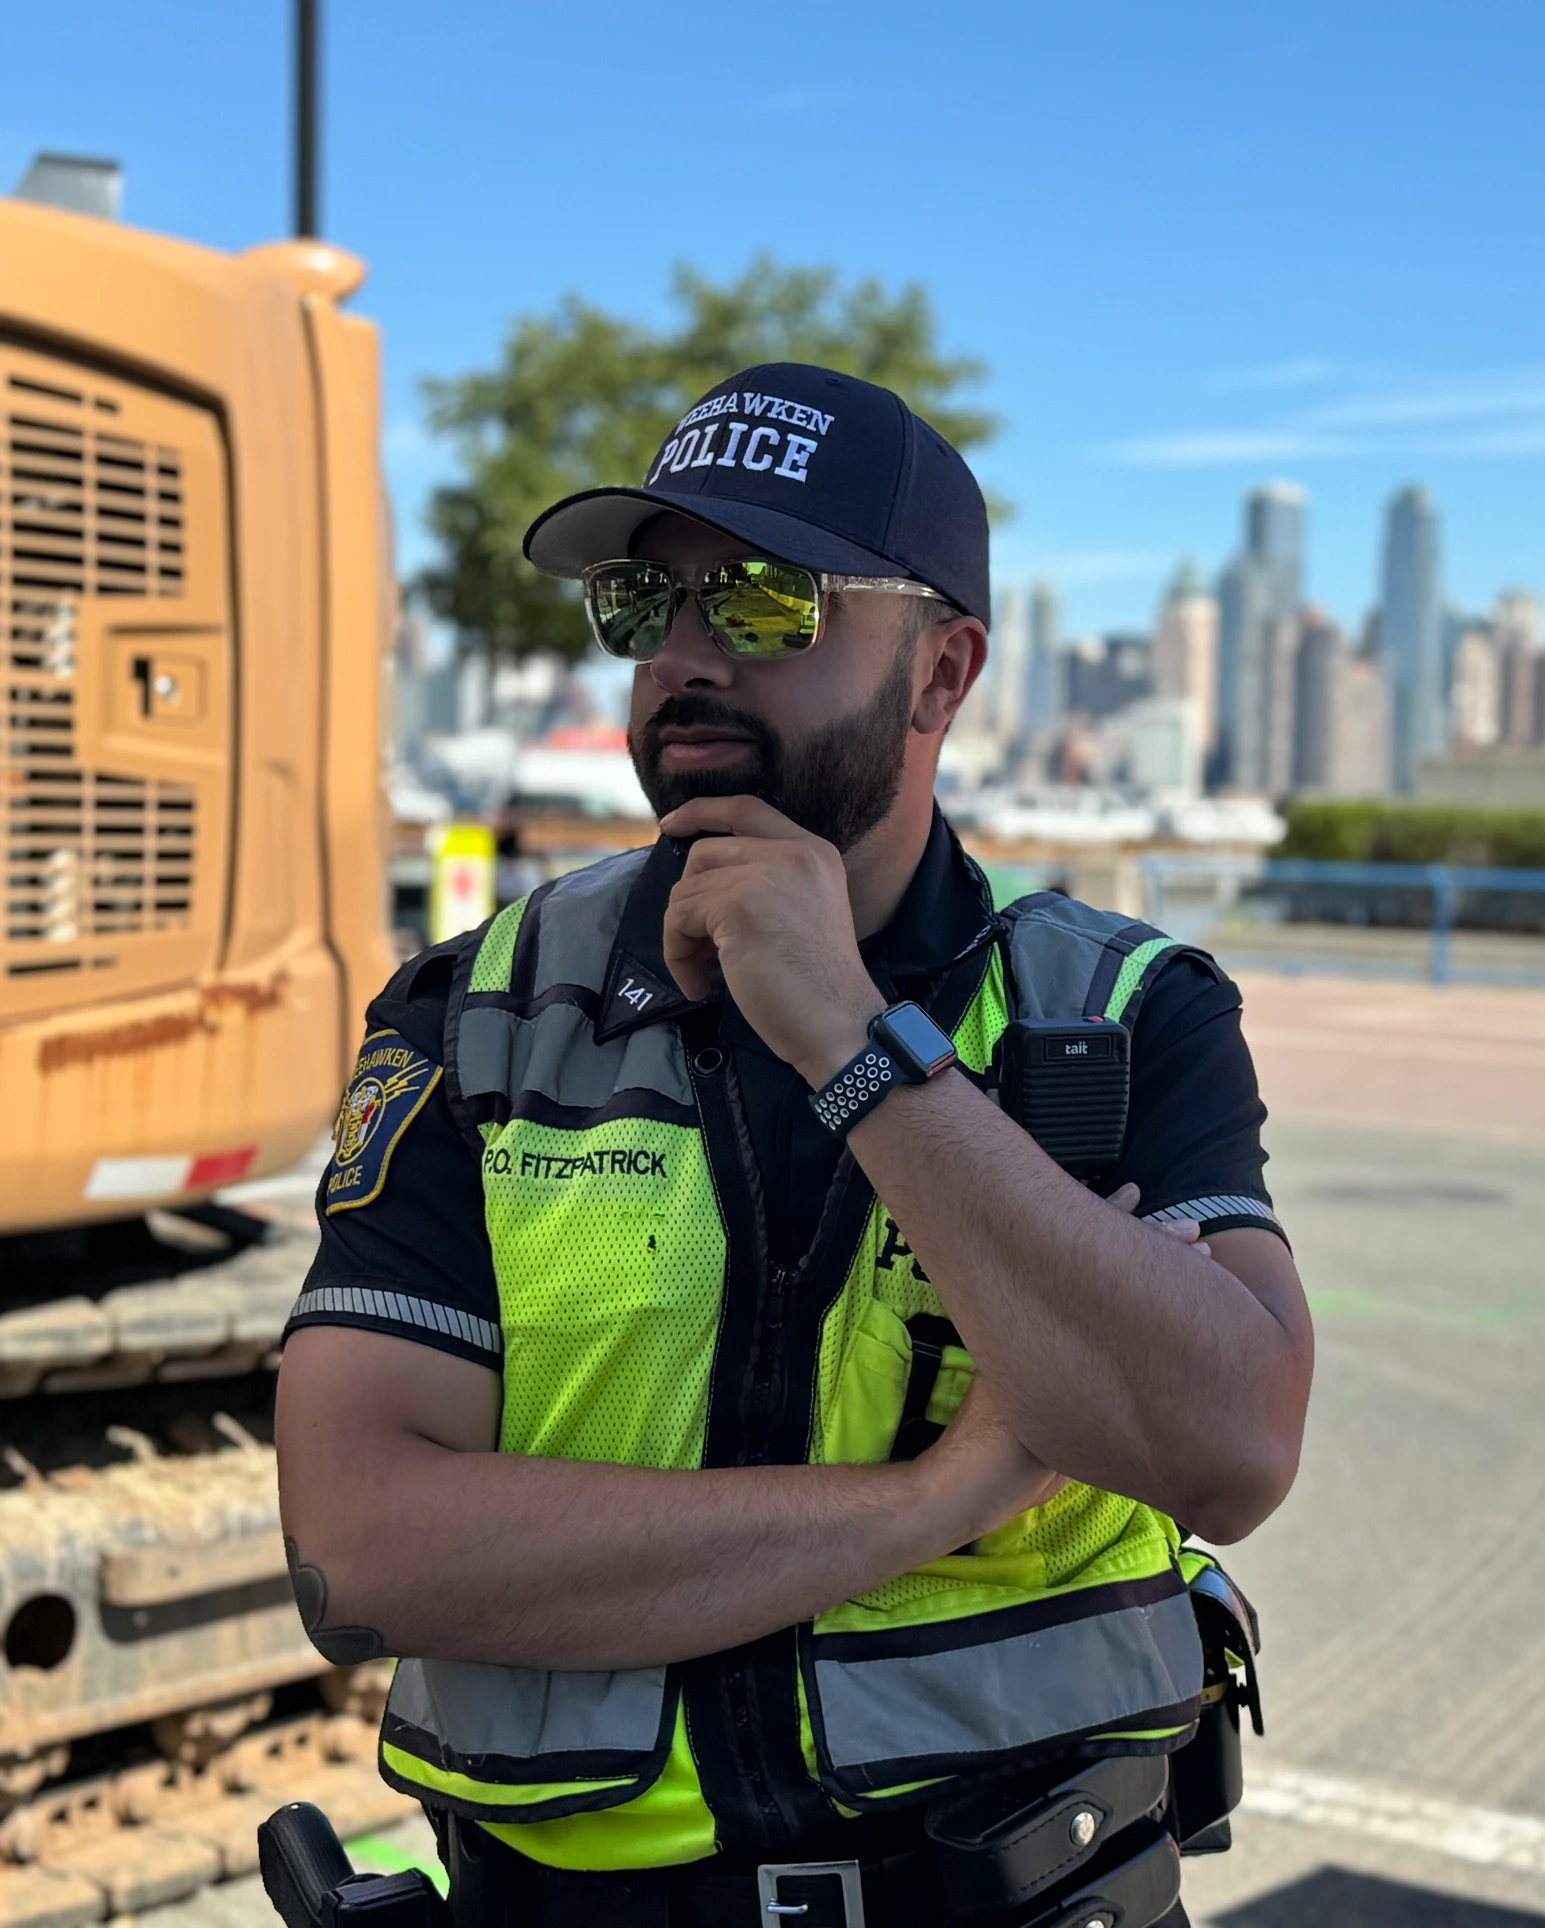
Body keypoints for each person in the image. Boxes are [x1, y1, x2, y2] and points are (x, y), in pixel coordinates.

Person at [274, 363, 1312, 1927]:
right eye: (646, 603)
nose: (684, 660)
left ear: (941, 673)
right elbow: (358, 1550)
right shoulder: (474, 1015)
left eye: (763, 603)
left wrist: (849, 1040)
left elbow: (1227, 1449)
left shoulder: (1108, 1017)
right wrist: (929, 1504)